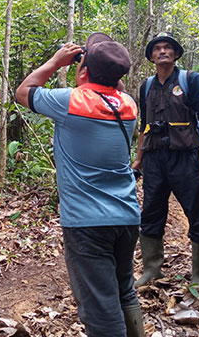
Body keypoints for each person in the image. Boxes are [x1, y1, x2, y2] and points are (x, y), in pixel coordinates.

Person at [16, 33, 145, 337]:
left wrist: (57, 61)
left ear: (84, 70)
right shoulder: (129, 106)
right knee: (124, 290)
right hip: (127, 216)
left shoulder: (71, 101)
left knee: (100, 306)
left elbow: (24, 91)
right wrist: (100, 69)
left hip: (88, 224)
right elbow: (116, 89)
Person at [132, 32, 199, 288]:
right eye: (157, 49)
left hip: (185, 158)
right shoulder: (146, 86)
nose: (162, 51)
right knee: (151, 212)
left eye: (168, 48)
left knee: (196, 211)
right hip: (155, 160)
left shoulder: (191, 80)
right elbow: (145, 125)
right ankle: (152, 269)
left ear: (176, 54)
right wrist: (139, 159)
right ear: (151, 56)